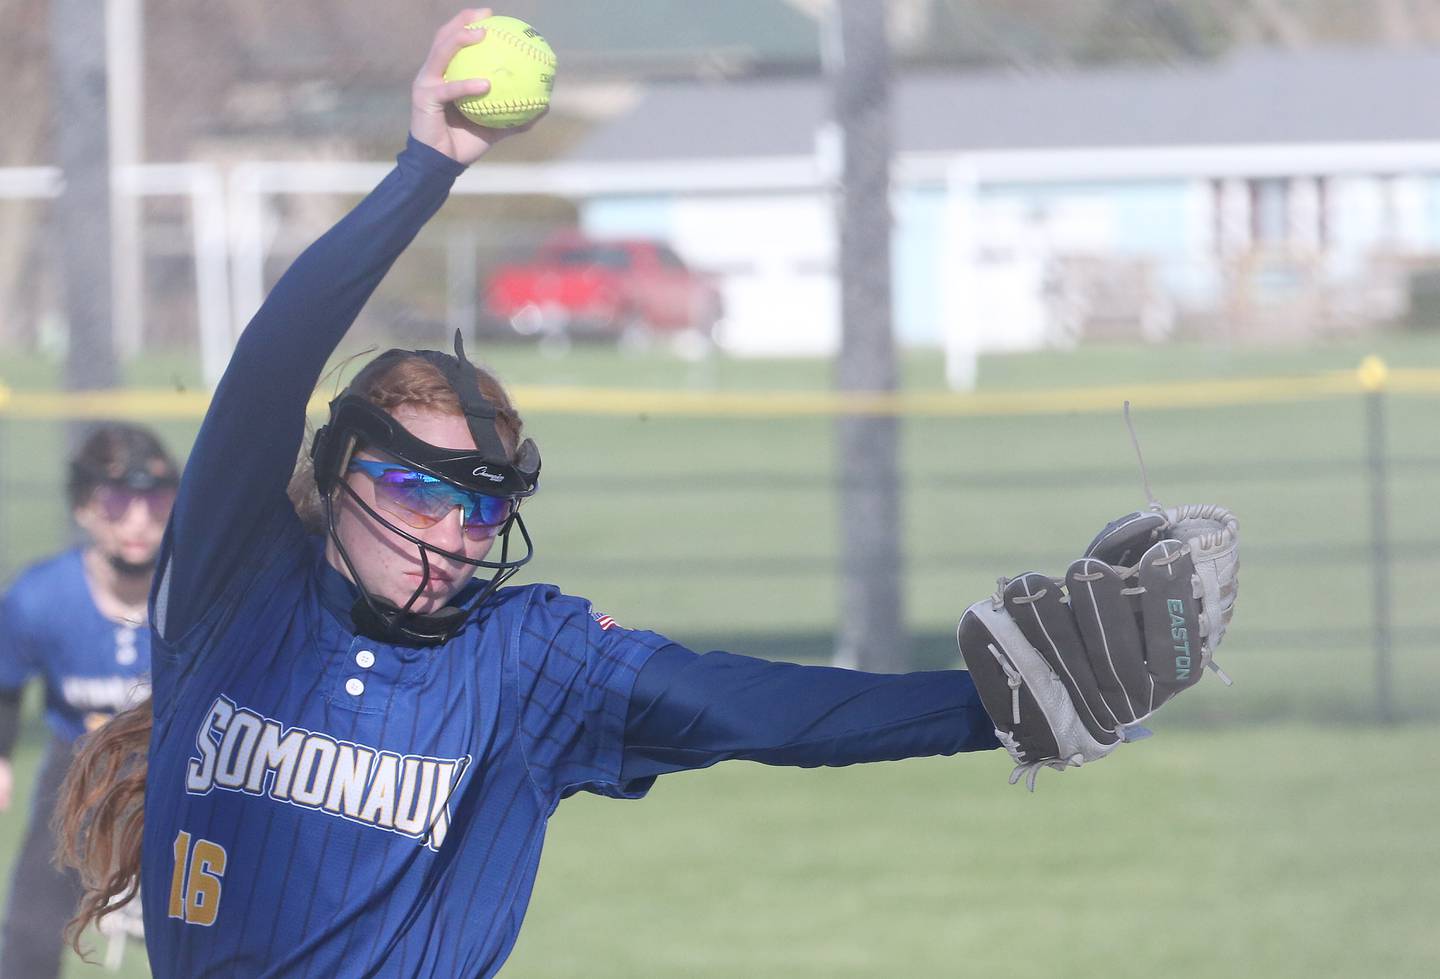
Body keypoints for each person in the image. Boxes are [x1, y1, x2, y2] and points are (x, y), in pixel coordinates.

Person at [54, 11, 1005, 976]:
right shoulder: (234, 588)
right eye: (418, 493)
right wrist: (424, 169)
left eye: (482, 510)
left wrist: (1000, 702)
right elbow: (268, 366)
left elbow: (765, 709)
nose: (453, 537)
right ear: (338, 476)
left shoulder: (523, 659)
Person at [0, 422, 177, 978]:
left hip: (180, 772)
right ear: (83, 507)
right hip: (79, 768)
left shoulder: (196, 591)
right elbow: (5, 683)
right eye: (118, 502)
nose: (138, 522)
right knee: (29, 931)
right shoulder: (40, 597)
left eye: (156, 501)